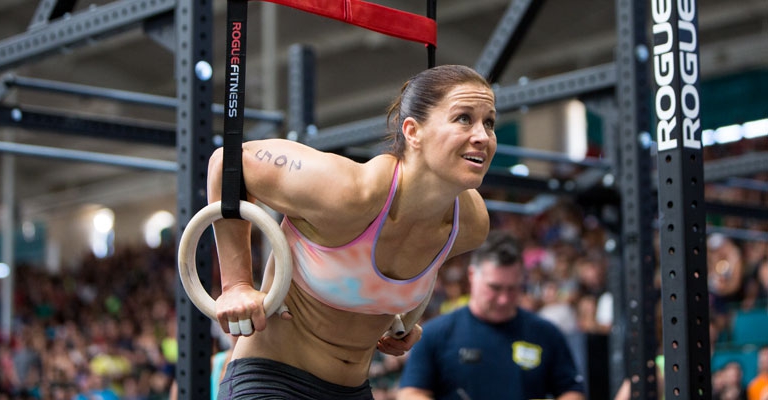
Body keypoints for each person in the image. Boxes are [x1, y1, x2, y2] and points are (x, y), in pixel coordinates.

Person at [208, 64, 498, 399]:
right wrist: (237, 284)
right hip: (272, 382)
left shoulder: (471, 225)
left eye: (489, 122)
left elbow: (369, 281)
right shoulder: (345, 193)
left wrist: (398, 317)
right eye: (464, 118)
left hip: (355, 391)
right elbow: (226, 164)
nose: (483, 136)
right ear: (412, 131)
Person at [397, 231, 586, 400]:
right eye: (494, 288)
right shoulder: (435, 334)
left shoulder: (546, 333)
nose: (504, 299)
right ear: (472, 276)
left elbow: (573, 391)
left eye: (513, 288)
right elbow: (410, 392)